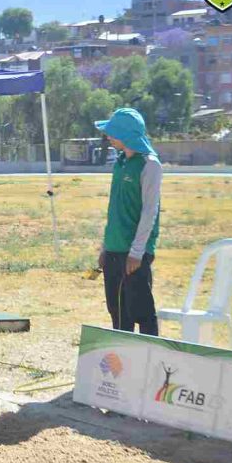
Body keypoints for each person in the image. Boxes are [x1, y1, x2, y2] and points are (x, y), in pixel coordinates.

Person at [95, 108, 163, 336]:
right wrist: (105, 247)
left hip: (134, 254)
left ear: (127, 135)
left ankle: (150, 365)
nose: (108, 136)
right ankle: (124, 368)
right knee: (118, 314)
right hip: (114, 249)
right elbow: (114, 209)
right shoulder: (120, 162)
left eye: (112, 132)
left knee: (142, 313)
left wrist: (137, 252)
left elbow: (149, 211)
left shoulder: (150, 165)